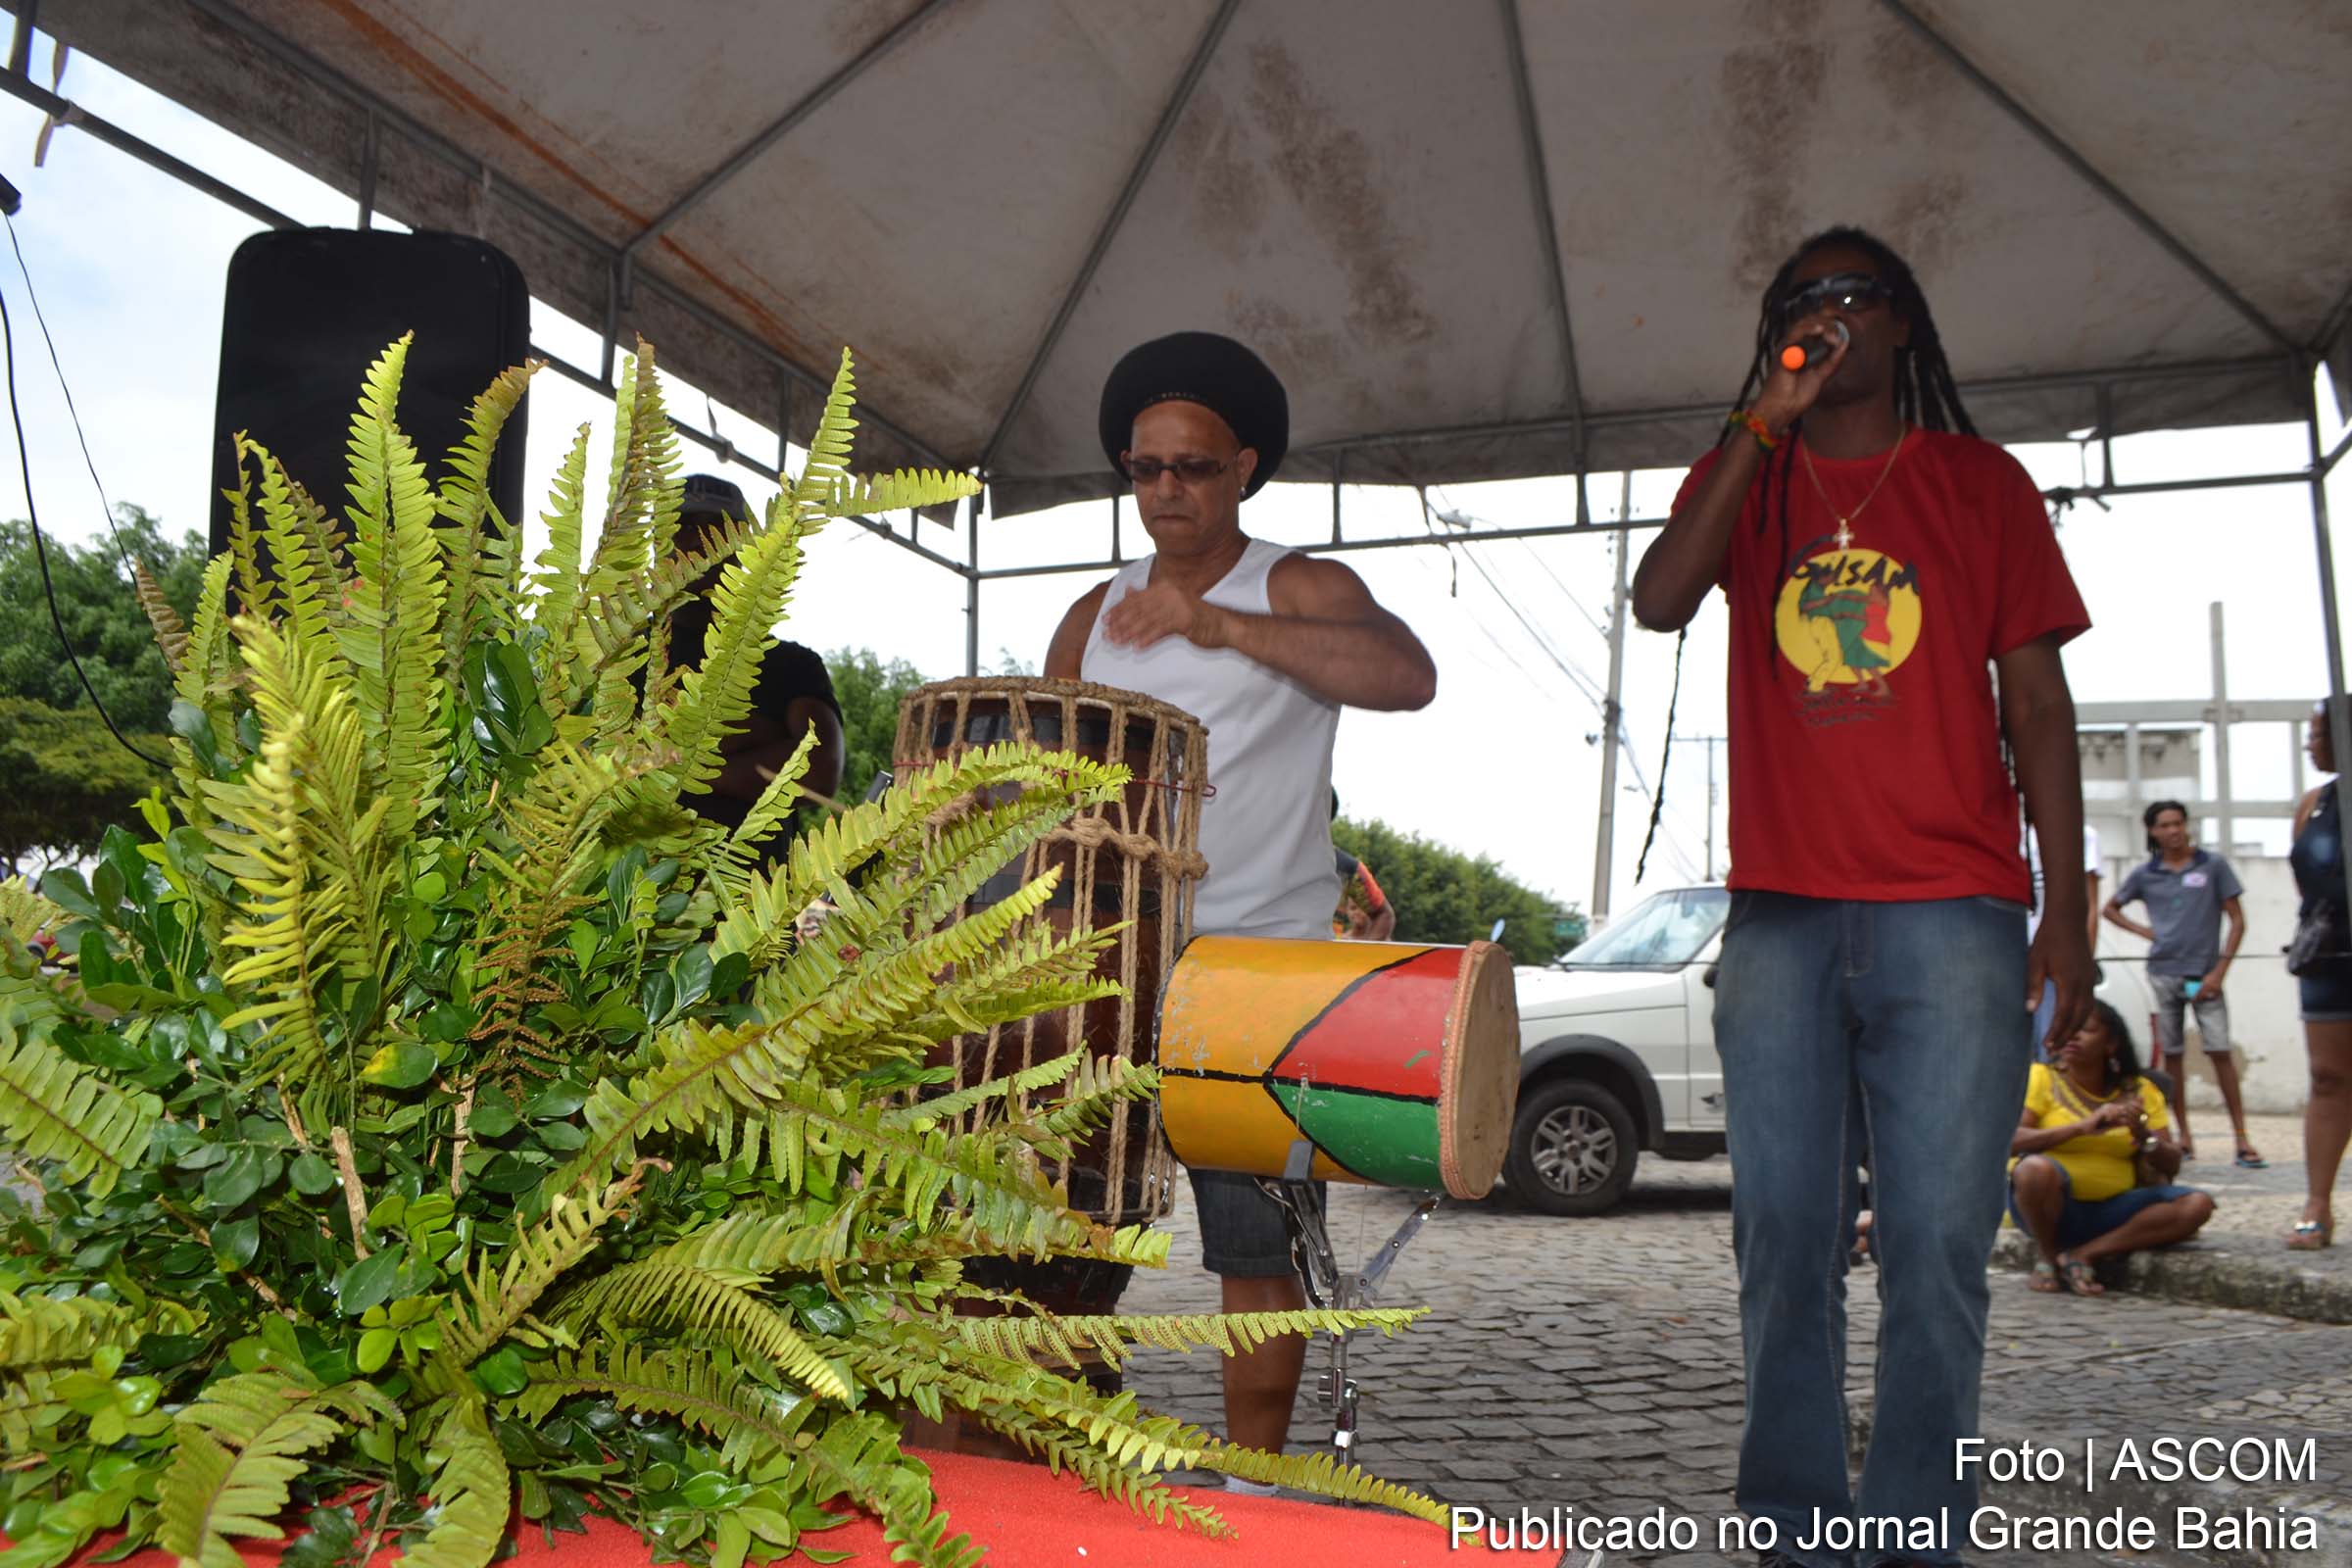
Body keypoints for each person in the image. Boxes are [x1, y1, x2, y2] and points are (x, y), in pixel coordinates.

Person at [1630, 226, 2091, 1566]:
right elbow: (1660, 600)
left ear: (1903, 324)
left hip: (1954, 912)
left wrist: (2065, 910)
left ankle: (1913, 1532)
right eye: (1802, 299)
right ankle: (1792, 1527)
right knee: (1783, 1239)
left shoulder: (1979, 484)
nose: (1829, 315)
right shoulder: (1747, 474)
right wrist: (1756, 428)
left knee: (1938, 1244)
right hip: (1780, 915)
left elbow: (2039, 707)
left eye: (1854, 294)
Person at [1044, 330, 1436, 1478]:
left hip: (1260, 976)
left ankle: (1254, 1484)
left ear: (1245, 468)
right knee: (1065, 1232)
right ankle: (1061, 1450)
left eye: (1194, 466)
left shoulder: (1297, 585)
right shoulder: (1091, 612)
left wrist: (1215, 626)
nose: (1167, 488)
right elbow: (1045, 769)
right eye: (1145, 467)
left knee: (1255, 1252)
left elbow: (1407, 677)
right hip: (1114, 967)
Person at [667, 475, 845, 854]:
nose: (694, 541)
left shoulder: (791, 665)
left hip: (755, 888)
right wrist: (753, 746)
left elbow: (818, 772)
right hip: (625, 889)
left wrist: (677, 767)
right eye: (679, 527)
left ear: (745, 550)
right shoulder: (620, 659)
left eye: (714, 529)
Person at [2008, 1002, 2212, 1295]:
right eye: (2067, 1029)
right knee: (2033, 1169)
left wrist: (2143, 1136)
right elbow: (2012, 1141)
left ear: (2111, 1043)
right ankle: (2048, 1256)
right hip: (2050, 1209)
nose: (2073, 1036)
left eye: (2086, 1030)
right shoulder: (2041, 1078)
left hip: (2115, 1210)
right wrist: (2082, 1127)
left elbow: (2172, 1164)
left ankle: (2084, 1254)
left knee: (2197, 1204)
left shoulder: (2141, 1090)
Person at [2103, 801, 2262, 1167]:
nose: (2174, 831)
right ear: (2152, 831)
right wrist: (2146, 932)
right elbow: (2110, 909)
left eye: (2179, 823)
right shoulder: (2146, 873)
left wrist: (2219, 972)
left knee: (2220, 1051)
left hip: (2205, 975)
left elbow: (2237, 920)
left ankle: (2242, 1138)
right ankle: (2183, 1136)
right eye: (2165, 825)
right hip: (2164, 973)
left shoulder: (2212, 866)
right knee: (2172, 1055)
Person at [2289, 698, 2352, 1249]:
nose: (2310, 745)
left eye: (2318, 734)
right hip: (2327, 956)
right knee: (2328, 1077)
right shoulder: (2313, 804)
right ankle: (2318, 1203)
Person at [2029, 823, 2103, 1056]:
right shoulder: (1998, 827)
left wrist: (2085, 961)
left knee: (2051, 1047)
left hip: (2054, 962)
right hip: (2006, 957)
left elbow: (2090, 906)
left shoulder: (2080, 833)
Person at [1330, 792, 1397, 940]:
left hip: (1324, 953)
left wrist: (1363, 953)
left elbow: (1384, 915)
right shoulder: (1278, 854)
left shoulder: (1347, 867)